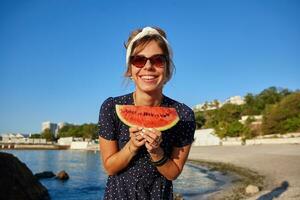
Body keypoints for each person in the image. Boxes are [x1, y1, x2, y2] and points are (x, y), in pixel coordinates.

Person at [98, 26, 196, 200]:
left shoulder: (183, 115)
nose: (148, 66)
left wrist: (156, 152)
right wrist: (133, 146)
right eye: (139, 60)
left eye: (158, 60)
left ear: (167, 68)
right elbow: (110, 167)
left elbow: (173, 173)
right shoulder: (112, 107)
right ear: (130, 69)